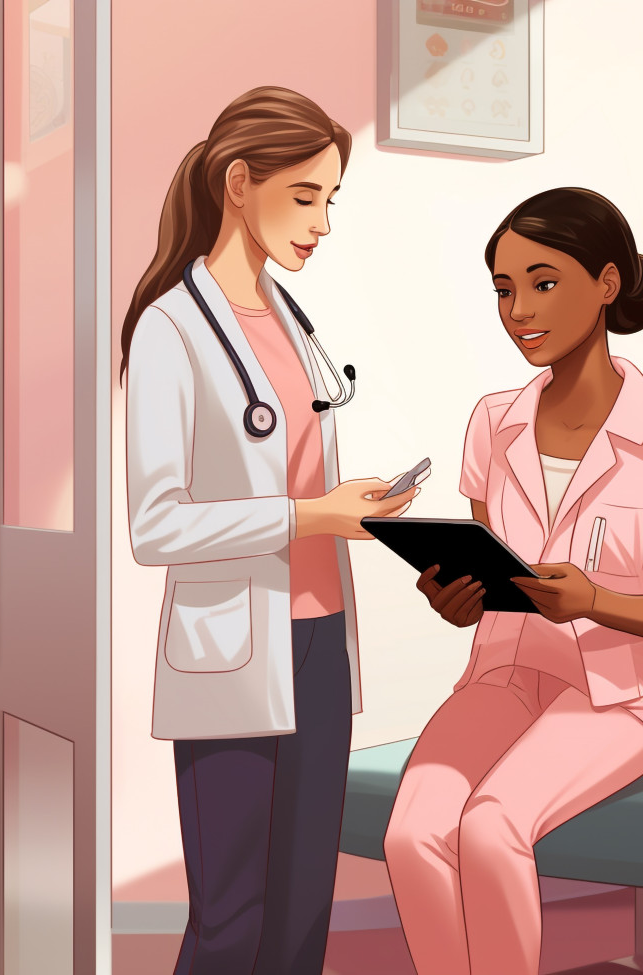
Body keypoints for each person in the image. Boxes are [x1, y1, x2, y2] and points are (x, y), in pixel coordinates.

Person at [383, 187, 643, 975]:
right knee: (412, 831)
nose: (517, 309)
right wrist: (453, 599)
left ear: (607, 283)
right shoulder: (491, 421)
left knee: (492, 825)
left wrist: (595, 600)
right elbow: (485, 569)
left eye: (542, 282)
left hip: (607, 698)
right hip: (501, 674)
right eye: (503, 288)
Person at [120, 86, 419, 975]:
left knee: (301, 912)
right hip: (233, 652)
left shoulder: (292, 323)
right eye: (305, 196)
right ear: (238, 182)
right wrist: (313, 514)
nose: (322, 222)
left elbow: (292, 474)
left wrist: (345, 503)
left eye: (331, 200)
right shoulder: (172, 326)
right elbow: (154, 524)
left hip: (320, 643)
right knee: (231, 919)